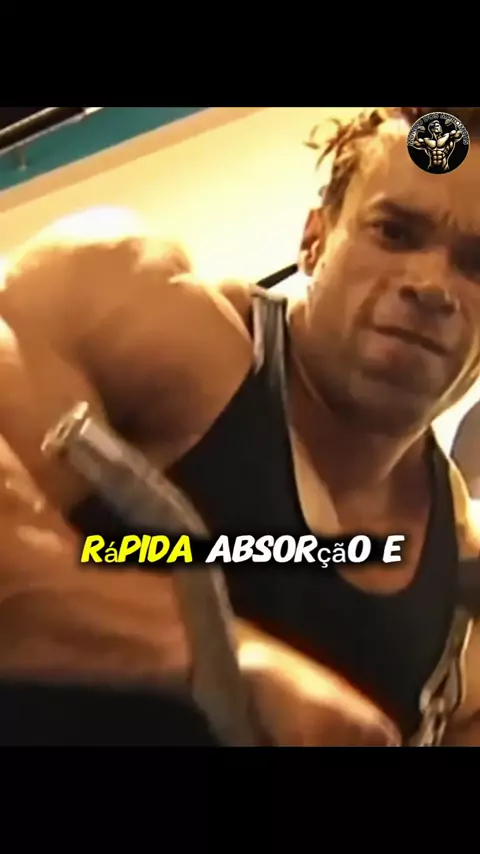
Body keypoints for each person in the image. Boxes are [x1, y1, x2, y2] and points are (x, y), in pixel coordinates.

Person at [0, 107, 479, 745]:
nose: (432, 284)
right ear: (314, 239)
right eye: (394, 232)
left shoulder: (455, 563)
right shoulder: (134, 306)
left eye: (476, 264)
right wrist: (222, 657)